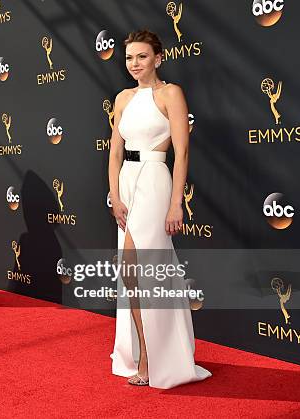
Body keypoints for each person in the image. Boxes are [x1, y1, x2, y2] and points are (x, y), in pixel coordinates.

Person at [108, 30, 211, 388]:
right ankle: (146, 349)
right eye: (129, 58)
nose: (134, 64)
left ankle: (153, 357)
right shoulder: (122, 98)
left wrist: (176, 204)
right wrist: (114, 195)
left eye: (141, 57)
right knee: (133, 274)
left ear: (158, 58)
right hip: (127, 180)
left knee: (140, 267)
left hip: (154, 177)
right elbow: (114, 152)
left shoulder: (171, 94)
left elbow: (181, 152)